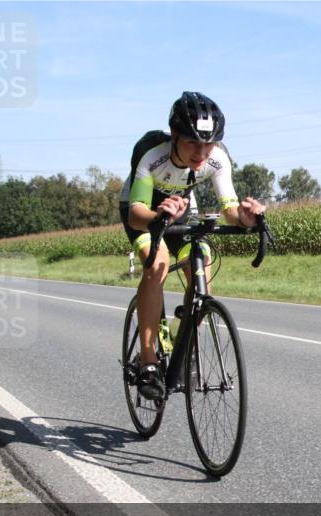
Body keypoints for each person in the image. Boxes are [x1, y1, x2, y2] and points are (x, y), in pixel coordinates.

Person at [119, 91, 265, 399]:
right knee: (157, 264)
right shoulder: (151, 154)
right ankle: (148, 362)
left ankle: (180, 338)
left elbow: (230, 209)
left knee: (202, 263)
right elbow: (136, 214)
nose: (201, 152)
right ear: (174, 135)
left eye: (208, 143)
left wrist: (247, 217)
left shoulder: (218, 157)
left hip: (183, 208)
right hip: (144, 210)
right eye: (192, 143)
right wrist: (159, 215)